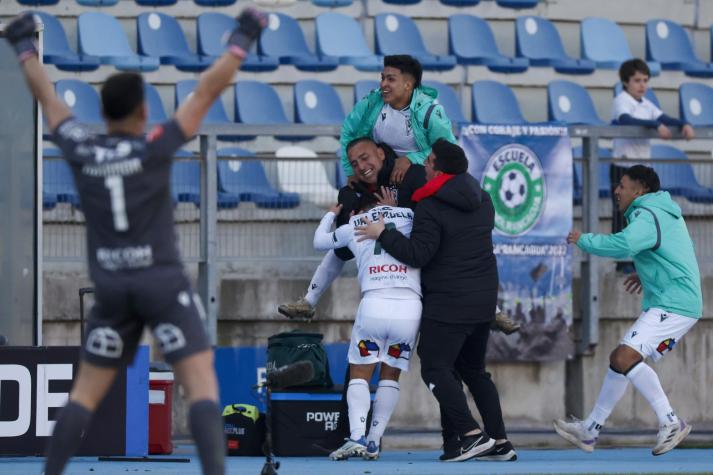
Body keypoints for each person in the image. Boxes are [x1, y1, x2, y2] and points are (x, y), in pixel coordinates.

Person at [4, 9, 266, 475]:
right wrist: (243, 37)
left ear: (100, 113)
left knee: (84, 394)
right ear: (144, 112)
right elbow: (207, 89)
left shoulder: (82, 148)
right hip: (162, 284)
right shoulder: (155, 144)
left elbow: (46, 97)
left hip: (112, 290)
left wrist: (25, 47)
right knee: (201, 383)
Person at [356, 139, 516, 462]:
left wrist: (383, 233)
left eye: (428, 161)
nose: (423, 166)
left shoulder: (430, 206)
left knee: (434, 368)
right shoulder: (483, 200)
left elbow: (418, 255)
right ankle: (500, 442)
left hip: (449, 301)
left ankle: (470, 435)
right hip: (484, 298)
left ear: (439, 169)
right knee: (473, 371)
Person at [555, 165, 701, 456]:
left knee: (624, 356)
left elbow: (623, 244)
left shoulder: (648, 215)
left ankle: (670, 421)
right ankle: (591, 429)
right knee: (621, 362)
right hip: (675, 300)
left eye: (622, 185)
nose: (617, 191)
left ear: (641, 189)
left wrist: (583, 240)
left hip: (674, 303)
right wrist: (646, 272)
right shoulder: (659, 211)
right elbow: (668, 250)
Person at [313, 195, 421, 461]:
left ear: (360, 210)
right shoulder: (411, 216)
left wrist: (330, 214)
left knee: (360, 373)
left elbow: (319, 242)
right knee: (390, 375)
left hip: (375, 304)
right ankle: (373, 442)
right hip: (409, 309)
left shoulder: (355, 223)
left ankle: (357, 437)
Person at [610, 58, 695, 272]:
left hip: (641, 170)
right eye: (637, 80)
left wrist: (683, 123)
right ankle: (622, 262)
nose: (642, 85)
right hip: (623, 167)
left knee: (643, 215)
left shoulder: (646, 104)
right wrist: (655, 125)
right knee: (623, 215)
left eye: (646, 80)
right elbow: (625, 120)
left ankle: (640, 260)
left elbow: (664, 117)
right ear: (625, 82)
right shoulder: (621, 100)